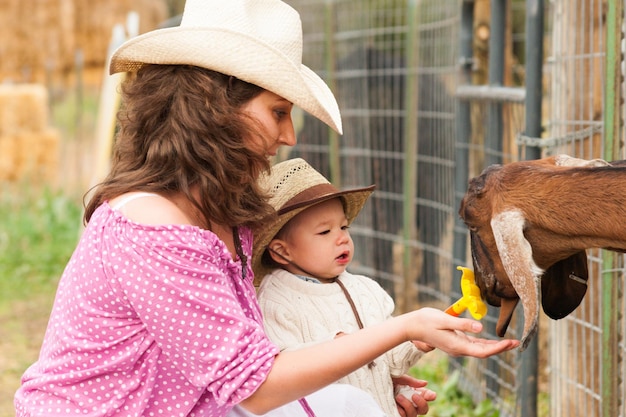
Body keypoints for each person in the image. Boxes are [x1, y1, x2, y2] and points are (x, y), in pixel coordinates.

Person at [14, 0, 519, 416]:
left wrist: (366, 381)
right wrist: (402, 327)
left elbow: (244, 367)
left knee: (348, 405)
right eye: (278, 112)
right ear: (212, 108)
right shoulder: (152, 225)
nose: (290, 135)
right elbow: (253, 386)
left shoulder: (217, 219)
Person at [253, 158, 436, 417]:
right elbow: (282, 377)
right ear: (282, 251)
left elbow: (390, 363)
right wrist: (335, 345)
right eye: (324, 232)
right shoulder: (275, 302)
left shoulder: (366, 290)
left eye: (343, 226)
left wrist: (415, 342)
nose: (342, 238)